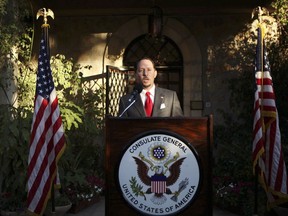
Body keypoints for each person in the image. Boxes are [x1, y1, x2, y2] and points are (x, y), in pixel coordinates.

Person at [118, 57, 183, 117]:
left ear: (155, 73)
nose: (145, 74)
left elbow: (178, 124)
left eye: (149, 70)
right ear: (136, 75)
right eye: (141, 70)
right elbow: (121, 127)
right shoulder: (126, 101)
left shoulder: (171, 97)